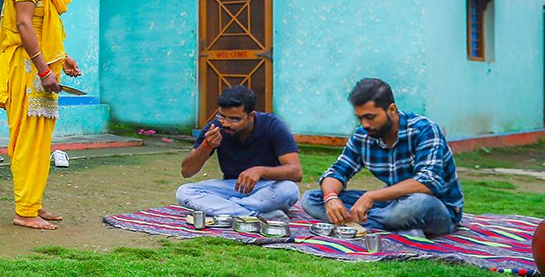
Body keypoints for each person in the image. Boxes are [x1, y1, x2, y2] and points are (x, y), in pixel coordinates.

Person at [0, 0, 81, 230]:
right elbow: (24, 25)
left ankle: (33, 204)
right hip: (28, 70)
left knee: (40, 139)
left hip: (39, 67)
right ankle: (23, 211)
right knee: (28, 138)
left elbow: (41, 29)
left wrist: (61, 60)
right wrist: (43, 69)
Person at [301, 78, 464, 237]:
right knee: (312, 199)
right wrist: (331, 198)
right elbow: (337, 172)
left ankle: (363, 223)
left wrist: (371, 196)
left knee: (417, 204)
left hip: (436, 207)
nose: (364, 124)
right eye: (360, 118)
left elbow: (428, 182)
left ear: (391, 109)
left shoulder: (424, 130)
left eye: (370, 117)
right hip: (391, 203)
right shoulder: (362, 136)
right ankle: (397, 227)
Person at [176, 85, 302, 218]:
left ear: (251, 116)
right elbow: (187, 171)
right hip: (232, 187)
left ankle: (230, 207)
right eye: (222, 116)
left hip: (266, 188)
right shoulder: (215, 127)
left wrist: (260, 171)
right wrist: (206, 146)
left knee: (289, 190)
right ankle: (256, 215)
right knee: (184, 191)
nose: (226, 123)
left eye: (234, 119)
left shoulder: (273, 125)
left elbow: (296, 172)